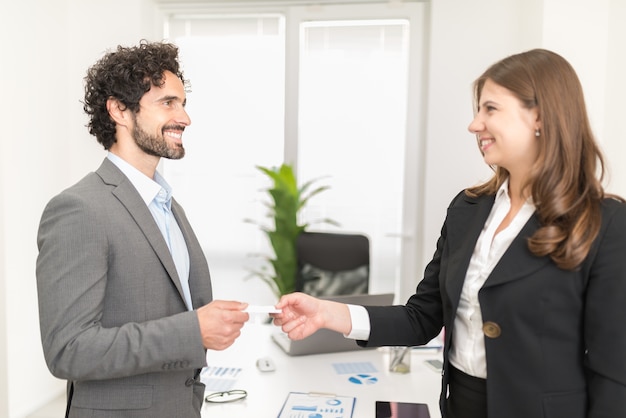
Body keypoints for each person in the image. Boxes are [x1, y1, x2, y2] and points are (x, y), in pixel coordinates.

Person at [272, 49, 626, 418]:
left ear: (539, 116)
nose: (475, 125)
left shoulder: (605, 223)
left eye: (490, 109)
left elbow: (614, 374)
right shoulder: (468, 209)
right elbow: (420, 317)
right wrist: (327, 313)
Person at [36, 40, 250, 417]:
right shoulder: (79, 209)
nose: (184, 118)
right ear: (119, 110)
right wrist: (193, 330)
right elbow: (67, 350)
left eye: (183, 103)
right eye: (168, 102)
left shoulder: (168, 206)